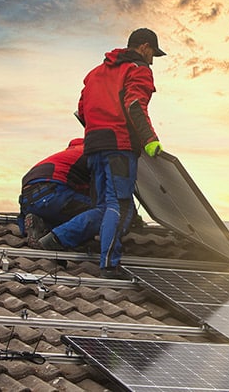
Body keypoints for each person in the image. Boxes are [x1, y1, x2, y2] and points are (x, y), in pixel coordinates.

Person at [39, 28, 165, 277]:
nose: (152, 60)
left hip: (94, 147)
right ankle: (109, 263)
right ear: (144, 47)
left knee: (103, 207)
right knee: (121, 206)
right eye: (153, 53)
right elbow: (134, 103)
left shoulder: (95, 73)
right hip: (119, 147)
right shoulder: (139, 70)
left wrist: (98, 128)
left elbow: (82, 110)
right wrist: (149, 139)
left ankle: (56, 239)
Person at [18, 138, 92, 248]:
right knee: (101, 211)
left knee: (67, 213)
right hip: (52, 193)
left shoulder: (66, 154)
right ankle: (57, 239)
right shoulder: (91, 153)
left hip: (28, 201)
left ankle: (41, 225)